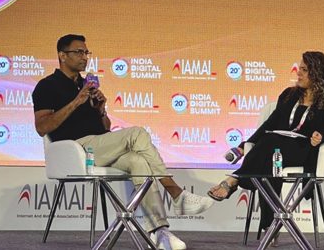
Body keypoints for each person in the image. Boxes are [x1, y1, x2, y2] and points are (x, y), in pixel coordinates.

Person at [32, 34, 213, 250]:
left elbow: (105, 127)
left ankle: (159, 231)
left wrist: (101, 110)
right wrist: (76, 102)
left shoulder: (86, 84)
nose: (85, 57)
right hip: (75, 149)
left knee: (139, 161)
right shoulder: (47, 86)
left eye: (86, 52)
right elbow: (42, 127)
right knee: (137, 133)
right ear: (62, 55)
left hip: (99, 144)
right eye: (78, 52)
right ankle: (176, 193)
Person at [208, 51, 324, 231]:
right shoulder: (289, 95)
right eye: (299, 69)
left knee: (270, 144)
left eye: (304, 70)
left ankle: (235, 180)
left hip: (304, 150)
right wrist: (244, 146)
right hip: (276, 149)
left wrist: (322, 137)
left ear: (318, 74)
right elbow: (270, 124)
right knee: (270, 164)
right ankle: (271, 227)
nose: (298, 73)